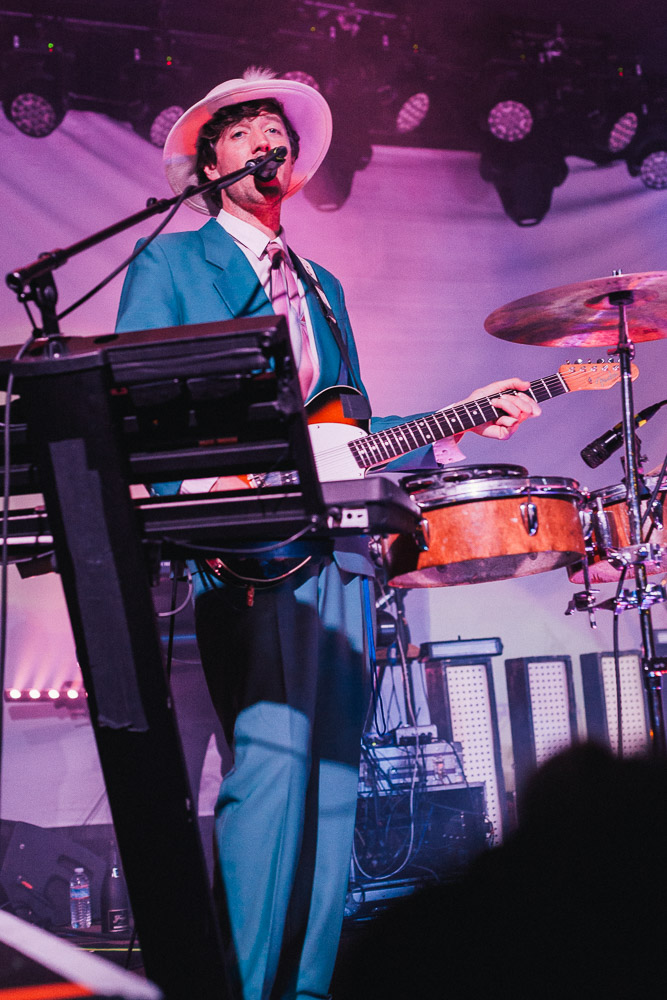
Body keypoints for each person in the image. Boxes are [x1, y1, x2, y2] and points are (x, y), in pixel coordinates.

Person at [115, 68, 540, 1000]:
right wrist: (209, 483)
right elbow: (137, 399)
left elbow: (346, 427)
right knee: (269, 768)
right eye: (244, 131)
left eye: (279, 130)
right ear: (208, 159)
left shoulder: (323, 281)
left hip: (340, 543)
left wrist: (458, 417)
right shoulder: (173, 264)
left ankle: (305, 989)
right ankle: (247, 987)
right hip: (251, 544)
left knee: (333, 777)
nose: (268, 140)